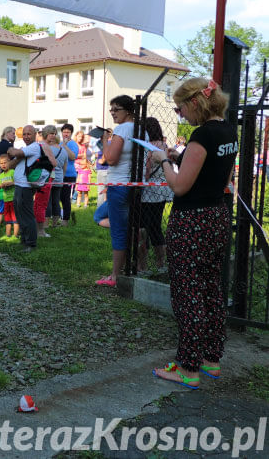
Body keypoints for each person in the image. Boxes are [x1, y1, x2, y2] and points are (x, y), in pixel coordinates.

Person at [151, 78, 236, 389]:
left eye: (180, 107)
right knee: (211, 289)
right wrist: (181, 159)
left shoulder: (202, 135)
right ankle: (211, 360)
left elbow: (180, 186)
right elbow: (222, 176)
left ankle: (187, 368)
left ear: (195, 103)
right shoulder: (227, 131)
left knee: (188, 293)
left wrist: (163, 161)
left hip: (191, 222)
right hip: (217, 217)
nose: (180, 114)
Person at [96, 95, 138, 287]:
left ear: (128, 111)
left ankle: (114, 276)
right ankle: (127, 264)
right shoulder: (140, 129)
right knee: (100, 215)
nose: (112, 113)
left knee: (119, 232)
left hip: (118, 184)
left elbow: (111, 159)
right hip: (132, 184)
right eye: (111, 109)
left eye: (116, 109)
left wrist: (105, 141)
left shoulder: (122, 129)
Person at [7, 125, 57, 252]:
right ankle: (24, 241)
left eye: (29, 134)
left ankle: (31, 244)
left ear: (35, 134)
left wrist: (13, 150)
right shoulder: (27, 149)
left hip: (25, 187)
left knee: (27, 216)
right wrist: (17, 154)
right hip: (19, 185)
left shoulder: (34, 147)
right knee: (20, 215)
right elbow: (10, 165)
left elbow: (13, 153)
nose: (26, 136)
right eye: (24, 134)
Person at [138, 117, 172, 274]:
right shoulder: (164, 145)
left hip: (149, 191)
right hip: (162, 190)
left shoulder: (147, 146)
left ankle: (142, 265)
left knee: (143, 228)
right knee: (156, 227)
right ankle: (161, 264)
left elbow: (146, 170)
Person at [34, 125, 60, 237]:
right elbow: (54, 163)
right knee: (41, 204)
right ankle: (40, 231)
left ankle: (36, 229)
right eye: (51, 133)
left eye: (55, 133)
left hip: (40, 178)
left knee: (37, 204)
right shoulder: (45, 146)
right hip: (45, 179)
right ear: (45, 134)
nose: (54, 136)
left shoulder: (39, 145)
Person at [45, 132, 68, 229]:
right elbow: (64, 168)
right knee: (56, 201)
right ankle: (54, 224)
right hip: (59, 179)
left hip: (49, 178)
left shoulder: (48, 149)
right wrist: (61, 177)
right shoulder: (64, 151)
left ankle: (46, 224)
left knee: (47, 201)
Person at [59, 123, 79, 225]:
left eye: (68, 132)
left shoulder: (73, 144)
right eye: (64, 132)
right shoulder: (59, 143)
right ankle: (58, 217)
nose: (66, 134)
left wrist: (65, 146)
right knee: (57, 198)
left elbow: (72, 157)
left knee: (65, 198)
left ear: (71, 133)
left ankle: (65, 220)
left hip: (69, 175)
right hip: (59, 175)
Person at [0, 154, 18, 241]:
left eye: (5, 163)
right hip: (5, 200)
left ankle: (16, 235)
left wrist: (11, 183)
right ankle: (8, 234)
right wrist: (1, 185)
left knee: (15, 217)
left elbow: (17, 181)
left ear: (9, 162)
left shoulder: (12, 172)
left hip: (14, 199)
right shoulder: (0, 176)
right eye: (1, 163)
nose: (3, 165)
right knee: (7, 217)